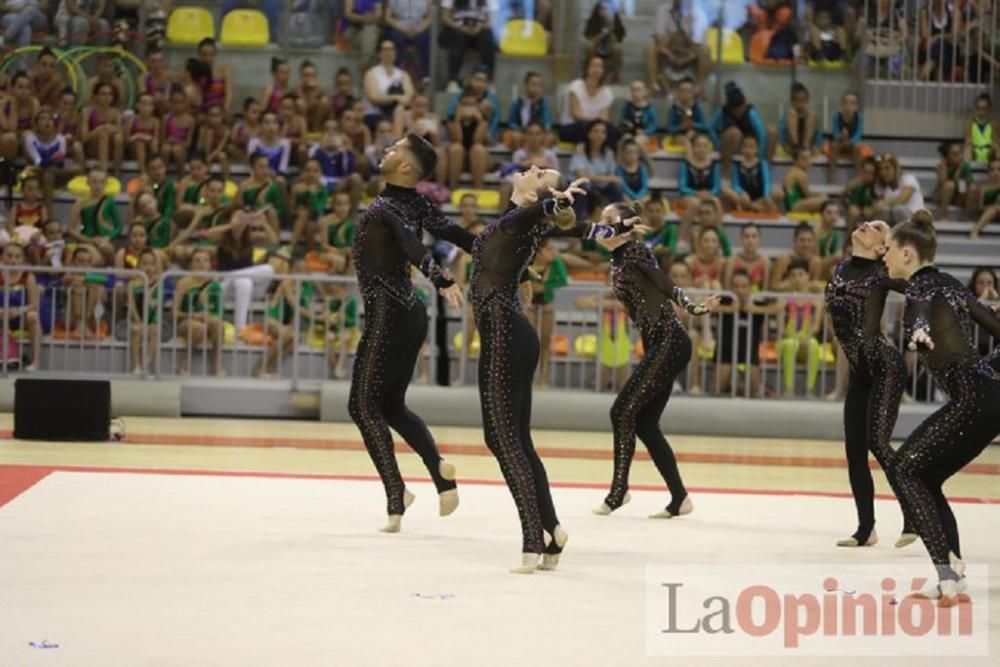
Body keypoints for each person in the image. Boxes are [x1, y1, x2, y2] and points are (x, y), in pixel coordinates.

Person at [469, 167, 625, 572]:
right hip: (513, 333)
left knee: (503, 439)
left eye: (539, 172)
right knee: (516, 439)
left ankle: (530, 540)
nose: (530, 169)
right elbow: (579, 232)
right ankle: (551, 531)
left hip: (506, 333)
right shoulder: (523, 222)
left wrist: (555, 201)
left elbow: (529, 217)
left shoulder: (523, 219)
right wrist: (605, 231)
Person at [348, 133, 473, 533]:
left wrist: (440, 278)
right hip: (408, 312)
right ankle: (439, 474)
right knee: (391, 406)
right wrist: (503, 254)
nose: (386, 149)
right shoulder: (416, 204)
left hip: (390, 312)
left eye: (394, 149)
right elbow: (457, 234)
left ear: (405, 167)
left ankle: (396, 491)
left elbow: (410, 244)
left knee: (361, 405)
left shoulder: (388, 208)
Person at [882, 210, 1000, 605]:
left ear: (909, 255)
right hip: (988, 398)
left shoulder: (919, 287)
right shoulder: (949, 283)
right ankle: (953, 573)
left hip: (973, 399)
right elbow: (992, 324)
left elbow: (917, 310)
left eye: (890, 251)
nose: (886, 257)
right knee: (926, 477)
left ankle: (947, 575)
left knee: (904, 468)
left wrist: (919, 330)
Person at [593, 215, 718, 519]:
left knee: (621, 412)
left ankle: (619, 491)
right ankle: (679, 497)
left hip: (670, 341)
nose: (602, 223)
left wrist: (691, 306)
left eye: (610, 219)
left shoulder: (635, 250)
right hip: (660, 344)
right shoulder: (618, 258)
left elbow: (662, 282)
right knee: (645, 425)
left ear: (623, 228)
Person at [825, 219, 915, 548]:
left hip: (884, 367)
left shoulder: (881, 274)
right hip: (861, 371)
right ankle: (866, 528)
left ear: (882, 248)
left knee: (877, 443)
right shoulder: (840, 267)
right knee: (854, 450)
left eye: (877, 227)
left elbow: (919, 287)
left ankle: (914, 515)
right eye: (866, 222)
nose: (866, 224)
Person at [713, 268, 777, 396]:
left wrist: (754, 310)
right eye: (736, 286)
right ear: (730, 287)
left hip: (750, 356)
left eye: (744, 286)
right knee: (716, 390)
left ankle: (748, 387)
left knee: (754, 392)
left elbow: (781, 304)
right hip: (725, 355)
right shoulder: (725, 300)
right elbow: (704, 306)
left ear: (750, 288)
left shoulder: (757, 303)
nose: (739, 290)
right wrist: (729, 309)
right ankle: (735, 386)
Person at [777, 259, 824, 396]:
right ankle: (789, 389)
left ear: (808, 276)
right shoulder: (783, 299)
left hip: (806, 340)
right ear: (789, 279)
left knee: (814, 345)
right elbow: (781, 329)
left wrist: (805, 338)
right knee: (791, 344)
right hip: (786, 342)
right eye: (793, 275)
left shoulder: (816, 300)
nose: (797, 279)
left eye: (800, 274)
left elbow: (815, 327)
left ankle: (810, 390)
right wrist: (795, 338)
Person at [525, 238, 568, 389]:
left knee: (545, 342)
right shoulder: (529, 261)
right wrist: (530, 286)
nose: (554, 252)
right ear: (540, 251)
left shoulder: (555, 262)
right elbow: (519, 278)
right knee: (530, 342)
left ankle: (543, 378)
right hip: (530, 304)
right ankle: (527, 378)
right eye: (549, 249)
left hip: (547, 302)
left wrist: (544, 286)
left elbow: (563, 280)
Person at [709, 81, 776, 174]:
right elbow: (711, 128)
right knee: (735, 132)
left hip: (749, 144)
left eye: (740, 109)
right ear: (730, 108)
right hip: (730, 144)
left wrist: (759, 155)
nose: (738, 112)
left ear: (744, 105)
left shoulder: (750, 112)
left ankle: (765, 170)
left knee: (771, 132)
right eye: (735, 111)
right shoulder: (723, 111)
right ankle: (726, 172)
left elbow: (762, 134)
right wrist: (718, 145)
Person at [646, 0, 710, 95]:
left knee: (705, 50)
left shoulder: (699, 13)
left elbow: (698, 44)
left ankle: (700, 87)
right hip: (668, 50)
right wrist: (671, 56)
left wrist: (686, 58)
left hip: (689, 52)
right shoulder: (662, 11)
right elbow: (659, 41)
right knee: (650, 49)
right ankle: (654, 85)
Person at [0, 242, 42, 371]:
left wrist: (18, 311)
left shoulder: (28, 277)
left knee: (33, 317)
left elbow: (34, 305)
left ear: (23, 259)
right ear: (2, 257)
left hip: (21, 318)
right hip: (1, 317)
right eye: (10, 256)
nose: (13, 260)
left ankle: (36, 361)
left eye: (18, 257)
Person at [439, 0, 496, 91]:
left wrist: (479, 28)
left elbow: (491, 20)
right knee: (457, 38)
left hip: (479, 29)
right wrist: (460, 27)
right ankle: (452, 80)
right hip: (456, 27)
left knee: (488, 39)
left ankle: (488, 80)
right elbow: (445, 17)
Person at [559, 57, 615, 145]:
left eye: (599, 67)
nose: (596, 69)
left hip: (595, 129)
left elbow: (604, 118)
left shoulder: (607, 92)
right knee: (583, 127)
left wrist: (595, 127)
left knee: (612, 129)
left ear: (603, 71)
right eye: (593, 66)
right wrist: (594, 125)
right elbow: (576, 115)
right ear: (587, 69)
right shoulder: (576, 86)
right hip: (572, 127)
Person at [362, 40, 416, 132]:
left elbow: (409, 96)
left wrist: (389, 98)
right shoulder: (371, 74)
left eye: (391, 49)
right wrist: (396, 97)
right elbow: (374, 97)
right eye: (385, 49)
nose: (388, 53)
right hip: (376, 114)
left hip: (399, 112)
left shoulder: (403, 74)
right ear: (379, 53)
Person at [446, 90, 490, 190]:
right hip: (457, 158)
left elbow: (477, 140)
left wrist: (480, 121)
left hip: (478, 158)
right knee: (457, 148)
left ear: (477, 106)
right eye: (464, 104)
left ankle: (478, 189)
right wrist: (458, 119)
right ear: (459, 105)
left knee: (477, 148)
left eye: (471, 105)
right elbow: (458, 139)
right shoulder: (451, 119)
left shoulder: (483, 119)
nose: (468, 107)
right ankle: (453, 189)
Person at [721, 134, 775, 212]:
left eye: (751, 147)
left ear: (757, 149)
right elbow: (735, 185)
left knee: (779, 194)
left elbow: (766, 182)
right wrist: (742, 192)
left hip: (760, 197)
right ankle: (754, 206)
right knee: (726, 191)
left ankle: (752, 206)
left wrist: (765, 196)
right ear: (741, 149)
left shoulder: (762, 164)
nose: (748, 149)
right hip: (744, 197)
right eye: (745, 146)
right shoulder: (737, 166)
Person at [826, 92, 868, 183]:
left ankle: (858, 176)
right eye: (846, 103)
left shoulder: (859, 118)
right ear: (842, 105)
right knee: (834, 146)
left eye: (852, 103)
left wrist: (850, 141)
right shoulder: (837, 117)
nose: (849, 106)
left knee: (857, 148)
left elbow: (858, 134)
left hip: (852, 144)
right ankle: (832, 175)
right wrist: (840, 136)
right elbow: (835, 133)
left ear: (856, 107)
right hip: (840, 143)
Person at [383, 0, 431, 79]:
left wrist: (419, 29)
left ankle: (426, 76)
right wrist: (403, 28)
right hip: (400, 28)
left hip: (419, 28)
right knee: (397, 39)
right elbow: (388, 17)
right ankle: (397, 75)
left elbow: (430, 17)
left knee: (425, 39)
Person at [873, 153, 925, 224]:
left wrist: (885, 203)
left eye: (887, 168)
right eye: (880, 169)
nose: (883, 172)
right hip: (895, 223)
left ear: (895, 169)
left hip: (916, 221)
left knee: (897, 210)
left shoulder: (909, 179)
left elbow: (903, 200)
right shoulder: (882, 188)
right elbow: (878, 208)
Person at [506, 71, 554, 149]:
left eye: (539, 85)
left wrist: (545, 129)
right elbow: (512, 122)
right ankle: (519, 158)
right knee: (515, 136)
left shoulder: (543, 103)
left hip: (538, 133)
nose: (536, 88)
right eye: (533, 85)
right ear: (526, 85)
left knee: (550, 137)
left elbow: (547, 121)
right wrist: (518, 129)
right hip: (522, 133)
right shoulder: (517, 102)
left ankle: (540, 158)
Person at [583, 0, 625, 81]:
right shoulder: (592, 22)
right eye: (602, 9)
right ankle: (588, 71)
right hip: (596, 50)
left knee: (617, 48)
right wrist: (602, 34)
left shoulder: (616, 22)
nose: (605, 12)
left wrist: (611, 28)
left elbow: (618, 41)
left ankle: (616, 74)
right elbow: (590, 40)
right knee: (589, 46)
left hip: (610, 50)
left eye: (608, 9)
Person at [934, 140, 975, 220]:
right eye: (955, 154)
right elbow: (943, 182)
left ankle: (966, 216)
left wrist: (960, 169)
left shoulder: (965, 165)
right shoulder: (941, 166)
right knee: (949, 185)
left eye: (960, 153)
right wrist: (945, 167)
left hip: (958, 196)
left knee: (971, 187)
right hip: (942, 197)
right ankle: (943, 215)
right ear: (947, 157)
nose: (959, 156)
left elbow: (967, 184)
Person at [723, 223, 770, 291]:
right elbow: (727, 291)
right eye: (746, 236)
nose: (750, 240)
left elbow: (765, 291)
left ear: (759, 239)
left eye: (754, 236)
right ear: (741, 239)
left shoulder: (765, 262)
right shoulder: (731, 261)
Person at [779, 82, 820, 156]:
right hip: (792, 145)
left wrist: (816, 145)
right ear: (792, 102)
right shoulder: (788, 115)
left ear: (807, 101)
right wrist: (784, 145)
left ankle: (805, 145)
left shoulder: (810, 115)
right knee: (792, 113)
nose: (799, 104)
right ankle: (796, 145)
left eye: (802, 101)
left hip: (807, 145)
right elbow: (781, 131)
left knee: (812, 113)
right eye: (796, 101)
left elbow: (819, 131)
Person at [781, 148, 827, 213]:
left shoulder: (792, 170)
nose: (808, 161)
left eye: (809, 158)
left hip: (793, 205)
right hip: (794, 206)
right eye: (804, 159)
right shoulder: (801, 174)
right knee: (824, 201)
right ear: (795, 160)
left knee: (823, 196)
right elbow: (808, 196)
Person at [664, 77, 708, 145]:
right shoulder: (674, 109)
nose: (686, 94)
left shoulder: (696, 108)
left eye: (689, 91)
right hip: (678, 135)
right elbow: (669, 128)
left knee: (695, 137)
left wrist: (694, 125)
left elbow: (704, 125)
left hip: (694, 134)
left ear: (692, 93)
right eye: (683, 91)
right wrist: (681, 127)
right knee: (683, 139)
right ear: (678, 93)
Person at [964, 94, 999, 163]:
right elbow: (968, 140)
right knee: (967, 148)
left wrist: (994, 145)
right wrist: (970, 144)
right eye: (978, 109)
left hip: (989, 153)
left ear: (989, 109)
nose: (981, 112)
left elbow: (996, 140)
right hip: (975, 153)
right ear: (975, 109)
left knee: (997, 147)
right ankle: (967, 170)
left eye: (984, 109)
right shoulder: (969, 124)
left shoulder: (994, 124)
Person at [970, 157, 1000, 239]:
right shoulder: (984, 187)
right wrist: (991, 207)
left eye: (999, 169)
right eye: (992, 170)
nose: (996, 172)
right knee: (993, 210)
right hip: (989, 213)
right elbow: (980, 206)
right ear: (988, 172)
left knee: (995, 208)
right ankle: (975, 230)